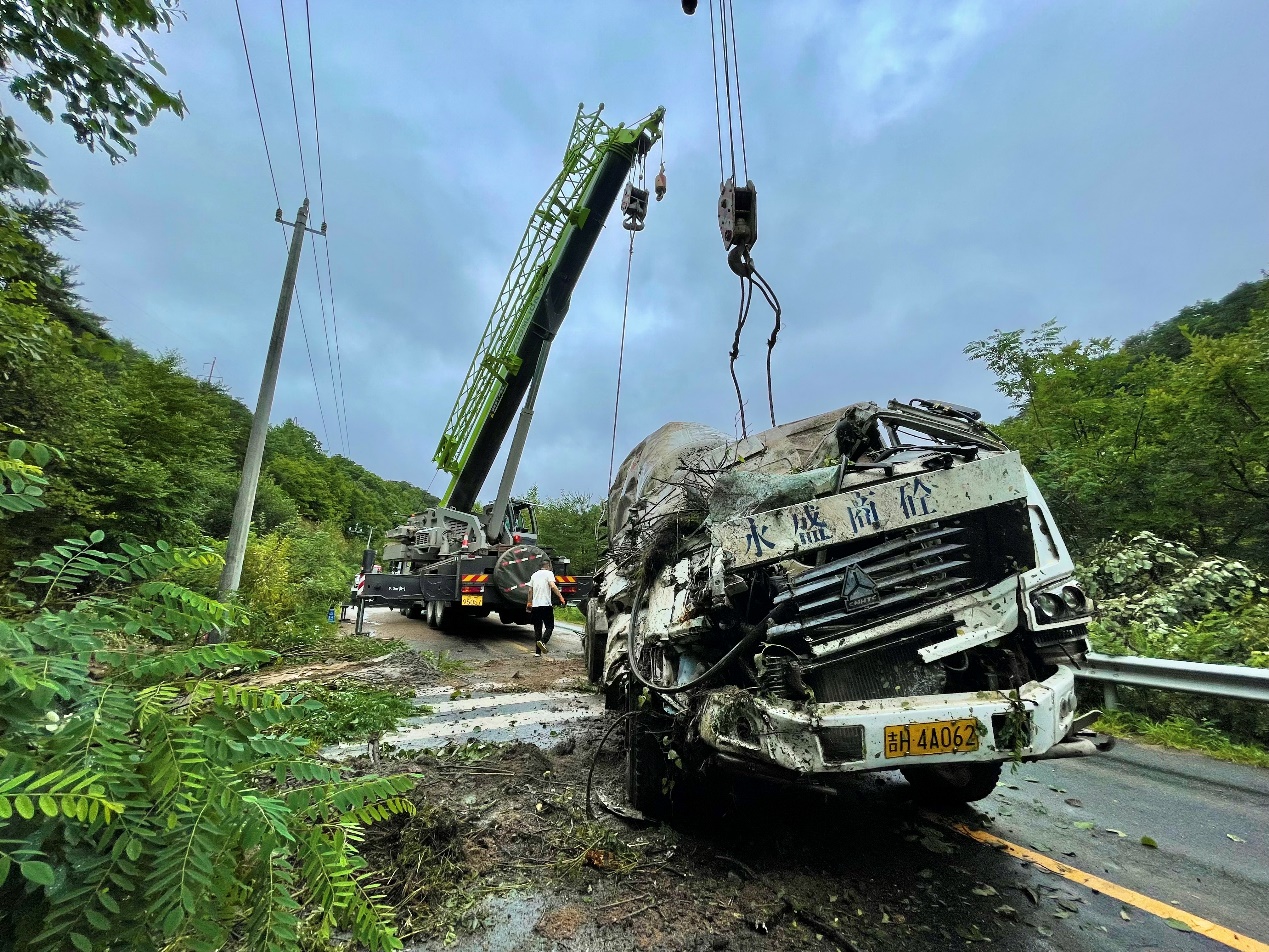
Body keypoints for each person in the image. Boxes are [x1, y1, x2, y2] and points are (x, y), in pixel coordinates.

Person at [526, 559, 563, 656]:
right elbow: (553, 586)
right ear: (548, 566)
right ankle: (543, 641)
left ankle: (537, 653)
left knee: (537, 628)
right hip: (546, 605)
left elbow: (530, 590)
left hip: (536, 606)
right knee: (549, 626)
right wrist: (560, 597)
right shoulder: (549, 573)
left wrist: (529, 602)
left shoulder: (534, 575)